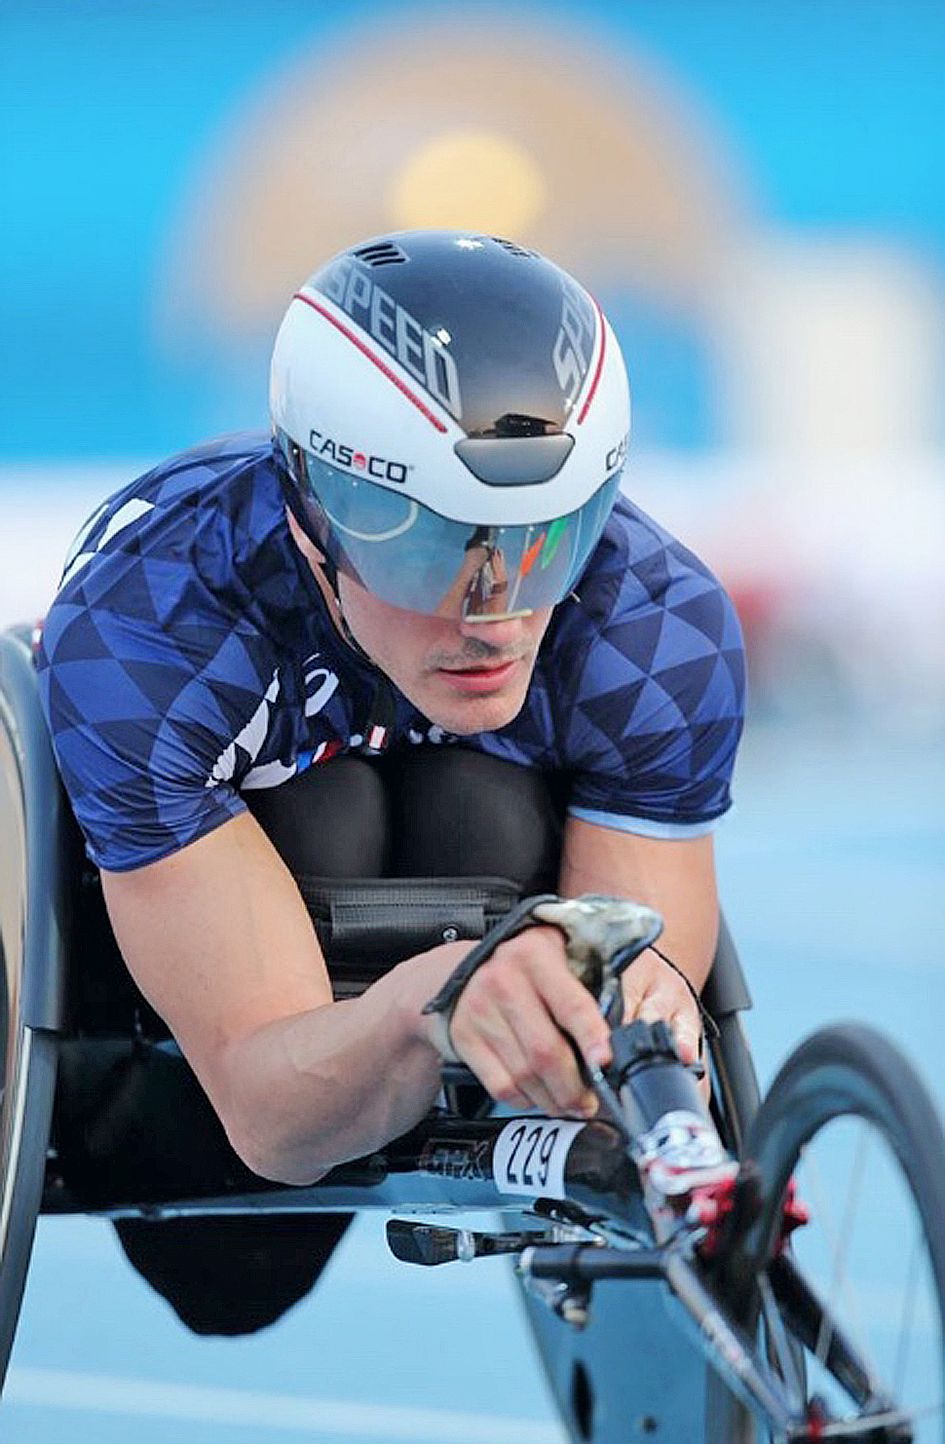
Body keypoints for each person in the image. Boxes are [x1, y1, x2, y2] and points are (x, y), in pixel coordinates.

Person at [36, 230, 745, 1331]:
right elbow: (270, 1120)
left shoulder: (654, 625)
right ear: (313, 514)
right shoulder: (153, 626)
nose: (496, 609)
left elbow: (652, 976)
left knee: (480, 812)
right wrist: (435, 999)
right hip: (204, 1067)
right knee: (234, 1288)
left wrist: (643, 1015)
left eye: (545, 540)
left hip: (480, 874)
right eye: (433, 550)